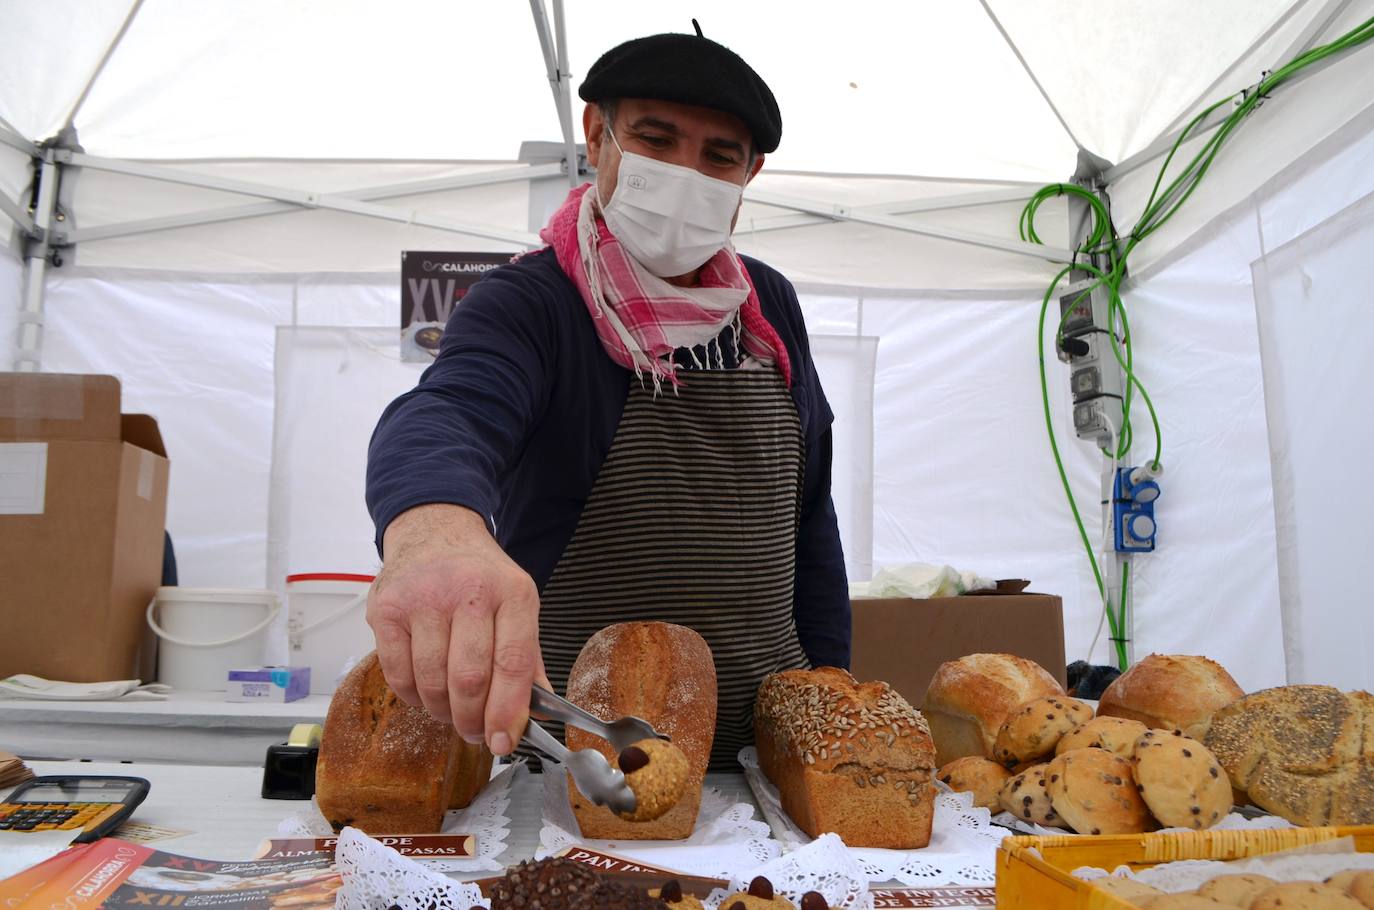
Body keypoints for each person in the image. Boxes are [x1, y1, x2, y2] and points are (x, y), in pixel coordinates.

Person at [365, 26, 849, 769]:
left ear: (750, 172)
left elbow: (809, 514)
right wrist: (436, 530)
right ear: (598, 135)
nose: (688, 172)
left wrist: (832, 679)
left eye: (719, 155)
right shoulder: (533, 302)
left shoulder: (768, 305)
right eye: (656, 139)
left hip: (766, 752)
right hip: (583, 759)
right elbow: (449, 410)